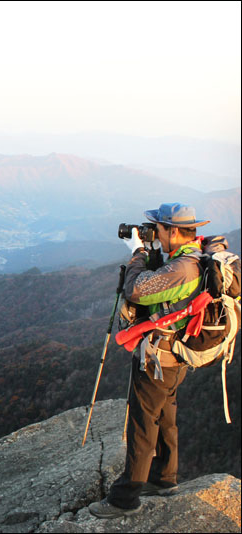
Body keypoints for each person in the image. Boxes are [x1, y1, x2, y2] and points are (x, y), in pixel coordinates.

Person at [89, 202, 213, 519]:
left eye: (158, 229)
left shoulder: (182, 268)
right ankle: (163, 479)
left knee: (143, 426)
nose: (155, 233)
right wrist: (150, 251)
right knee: (166, 417)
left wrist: (138, 252)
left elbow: (136, 289)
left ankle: (124, 499)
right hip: (174, 358)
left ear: (172, 231)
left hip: (158, 359)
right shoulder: (191, 258)